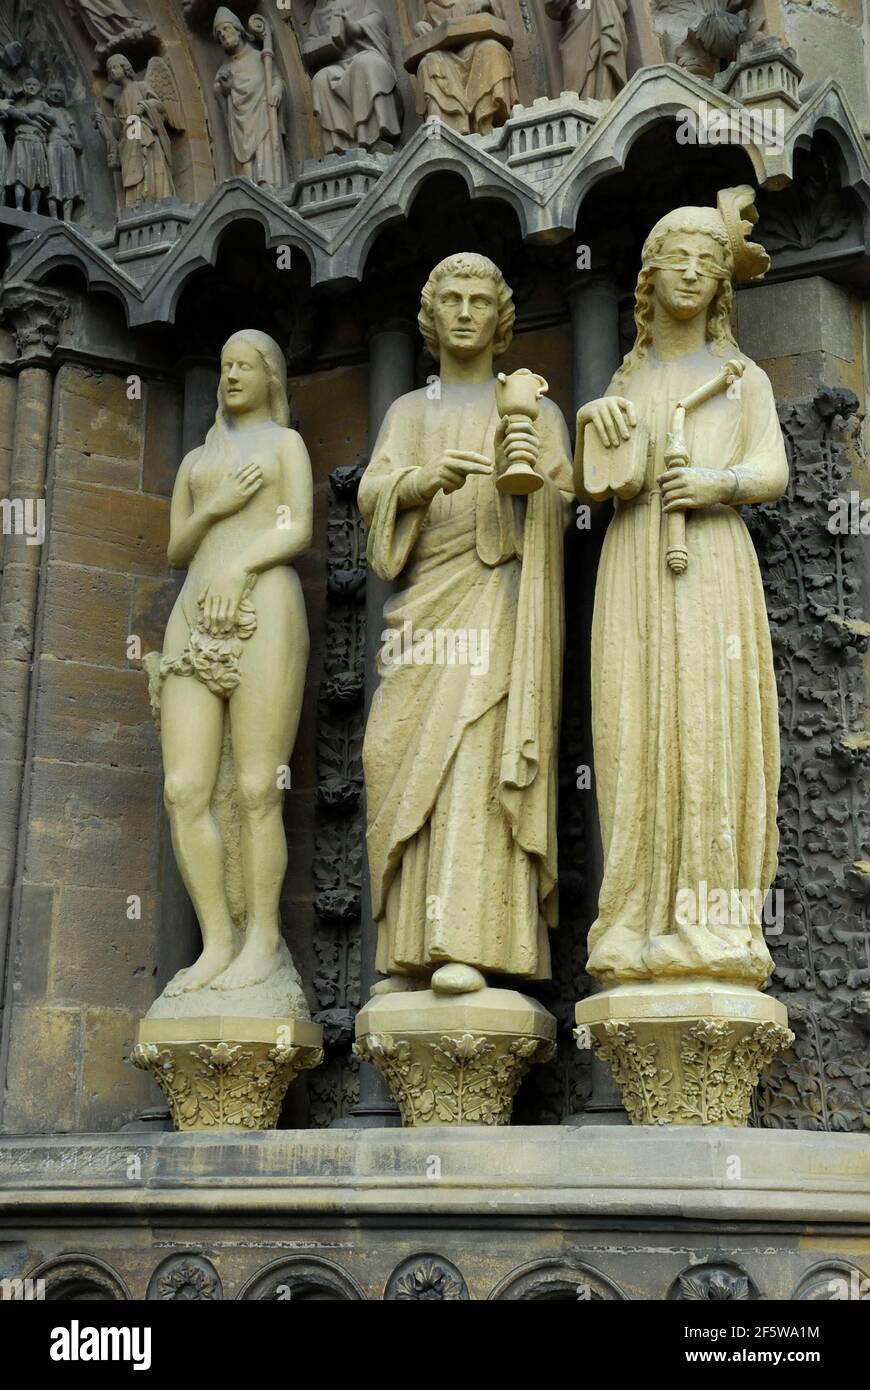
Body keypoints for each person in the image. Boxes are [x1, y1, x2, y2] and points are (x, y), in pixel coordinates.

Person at [576, 187, 788, 989]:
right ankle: (631, 916)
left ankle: (709, 919)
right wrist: (601, 430)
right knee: (631, 731)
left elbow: (774, 468)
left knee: (706, 724)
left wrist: (716, 480)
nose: (693, 273)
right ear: (649, 276)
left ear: (722, 284)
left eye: (709, 261)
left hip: (708, 563)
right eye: (678, 259)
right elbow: (597, 484)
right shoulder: (626, 382)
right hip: (633, 564)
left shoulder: (741, 378)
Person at [359, 252, 573, 995]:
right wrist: (423, 481)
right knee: (403, 754)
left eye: (479, 299)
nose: (463, 311)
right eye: (448, 297)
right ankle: (407, 951)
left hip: (499, 601)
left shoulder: (537, 410)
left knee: (476, 759)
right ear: (429, 314)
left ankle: (471, 943)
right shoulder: (410, 412)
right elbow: (374, 490)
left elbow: (569, 507)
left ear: (501, 317)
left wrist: (533, 484)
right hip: (427, 609)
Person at [151, 331, 313, 994]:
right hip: (192, 615)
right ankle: (218, 939)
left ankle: (266, 940)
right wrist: (215, 506)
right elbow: (176, 549)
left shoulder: (284, 444)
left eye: (246, 366)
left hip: (264, 609)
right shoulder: (198, 462)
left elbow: (297, 526)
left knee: (255, 786)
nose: (233, 376)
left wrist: (242, 565)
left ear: (270, 375)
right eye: (225, 367)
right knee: (183, 790)